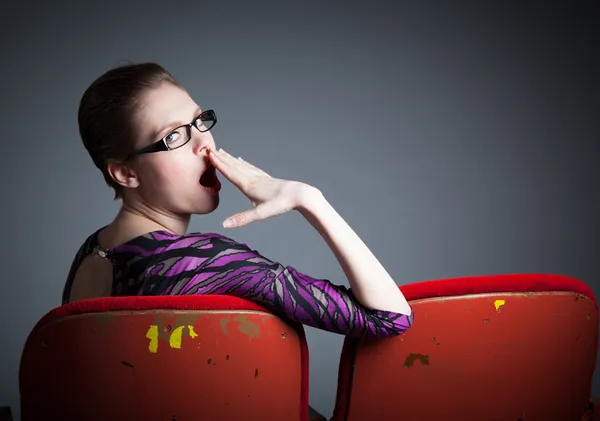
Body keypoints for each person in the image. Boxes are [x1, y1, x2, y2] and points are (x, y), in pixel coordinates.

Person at [63, 62, 414, 339]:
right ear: (125, 173)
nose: (205, 144)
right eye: (173, 137)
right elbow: (390, 318)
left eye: (199, 121)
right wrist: (309, 198)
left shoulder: (92, 253)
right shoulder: (202, 261)